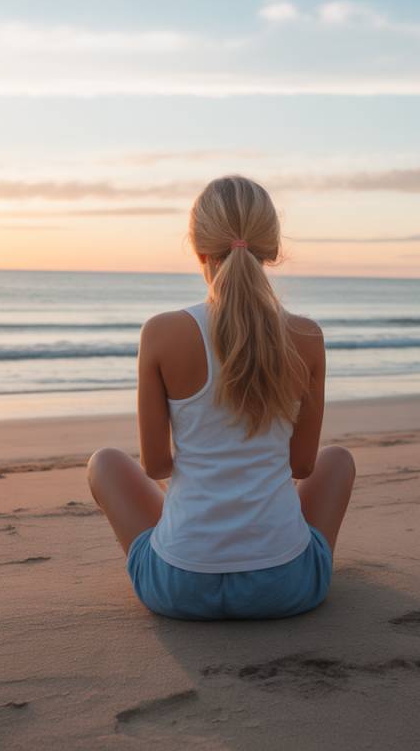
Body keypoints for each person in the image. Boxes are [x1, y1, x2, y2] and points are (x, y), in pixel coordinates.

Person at [87, 175, 355, 620]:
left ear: (198, 249)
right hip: (286, 587)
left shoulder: (161, 332)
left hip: (178, 589)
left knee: (104, 463)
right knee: (338, 460)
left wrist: (206, 490)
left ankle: (191, 545)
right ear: (272, 249)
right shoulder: (306, 336)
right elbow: (302, 467)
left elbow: (156, 466)